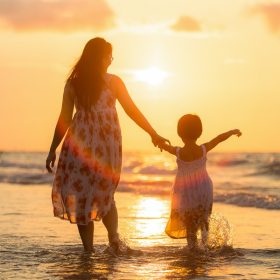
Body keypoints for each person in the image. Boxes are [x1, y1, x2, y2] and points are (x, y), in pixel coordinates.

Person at [45, 37, 169, 253]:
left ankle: (89, 251)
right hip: (105, 145)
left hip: (79, 146)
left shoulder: (74, 83)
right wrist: (153, 134)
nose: (111, 59)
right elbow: (131, 110)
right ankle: (113, 240)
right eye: (109, 55)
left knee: (82, 195)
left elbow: (64, 119)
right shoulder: (112, 81)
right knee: (104, 192)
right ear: (100, 57)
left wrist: (53, 149)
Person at [158, 114, 242, 250]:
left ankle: (193, 248)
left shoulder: (178, 151)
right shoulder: (203, 149)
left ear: (180, 133)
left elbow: (164, 146)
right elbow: (219, 138)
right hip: (203, 189)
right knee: (203, 219)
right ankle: (205, 246)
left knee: (190, 222)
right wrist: (232, 132)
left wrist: (158, 141)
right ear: (199, 132)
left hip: (185, 191)